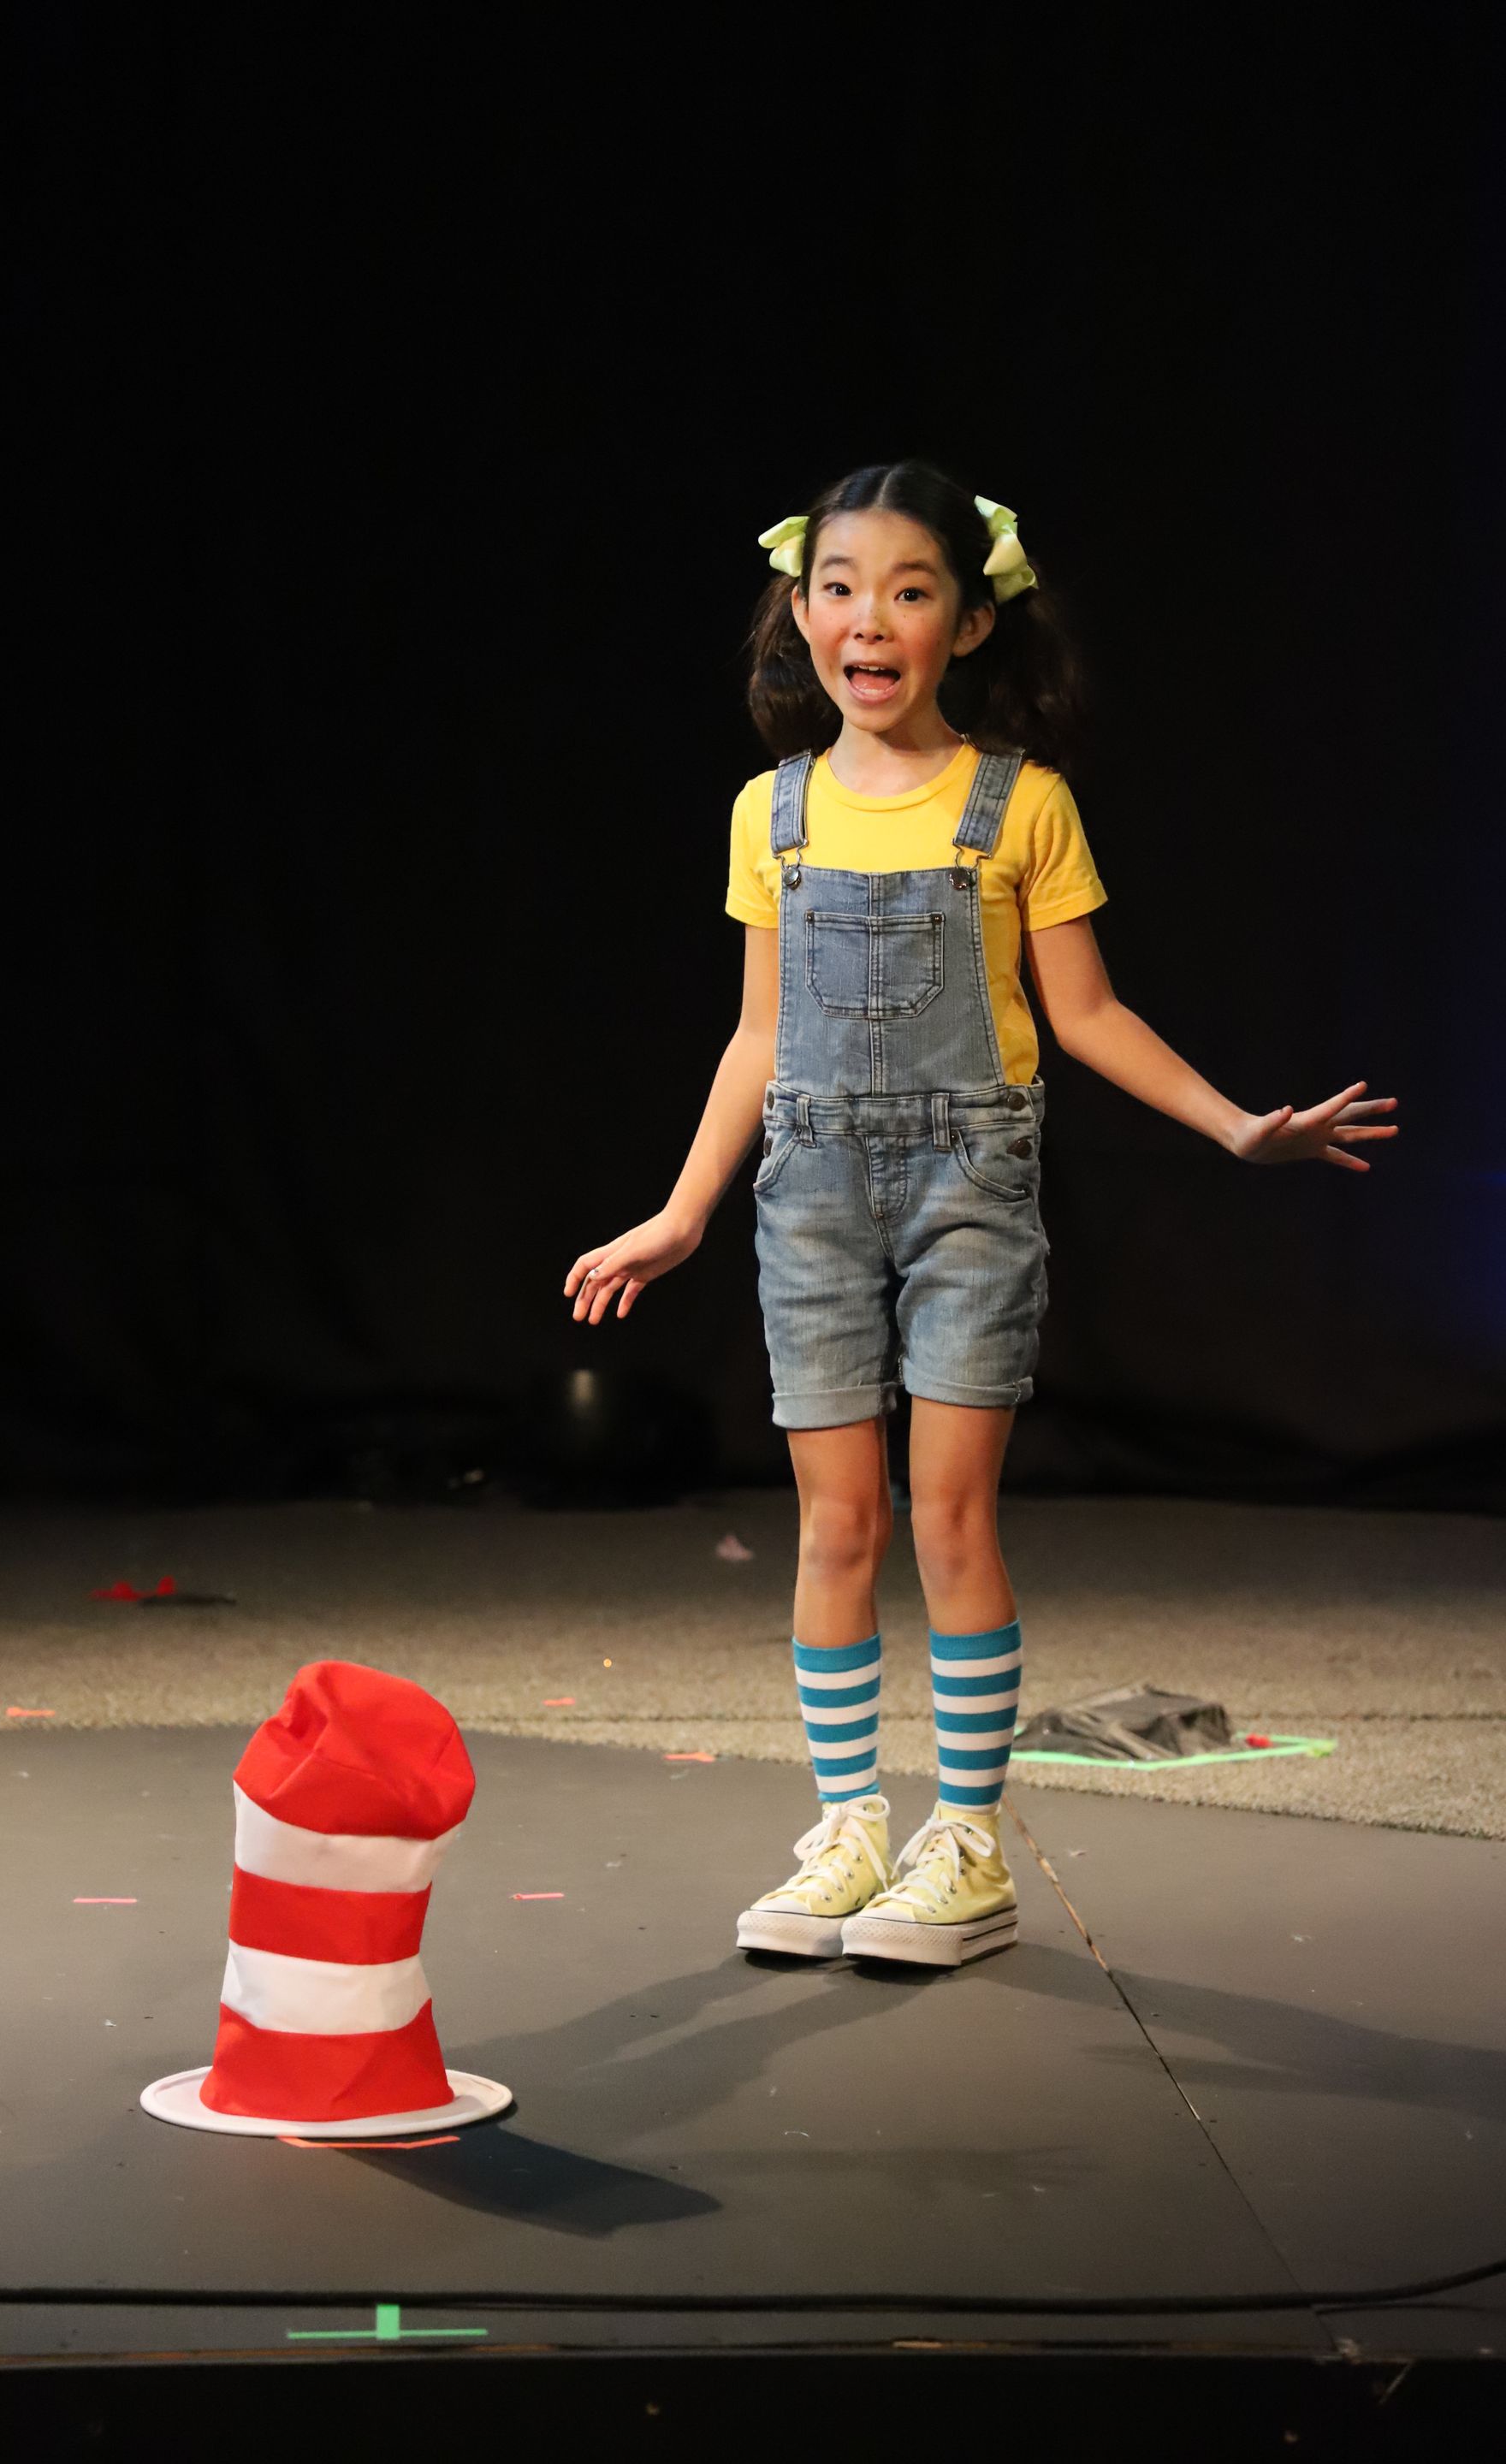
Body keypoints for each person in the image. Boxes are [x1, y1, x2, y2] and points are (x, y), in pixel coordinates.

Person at [562, 459, 1396, 1970]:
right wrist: (684, 1212)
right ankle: (845, 1829)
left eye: (908, 588)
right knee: (836, 1521)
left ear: (968, 620)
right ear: (799, 613)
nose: (867, 618)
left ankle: (964, 1843)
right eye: (839, 587)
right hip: (807, 1194)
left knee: (946, 1516)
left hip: (968, 1191)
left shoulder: (1025, 805)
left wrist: (1232, 1126)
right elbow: (759, 1037)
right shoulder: (774, 809)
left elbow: (1084, 1013)